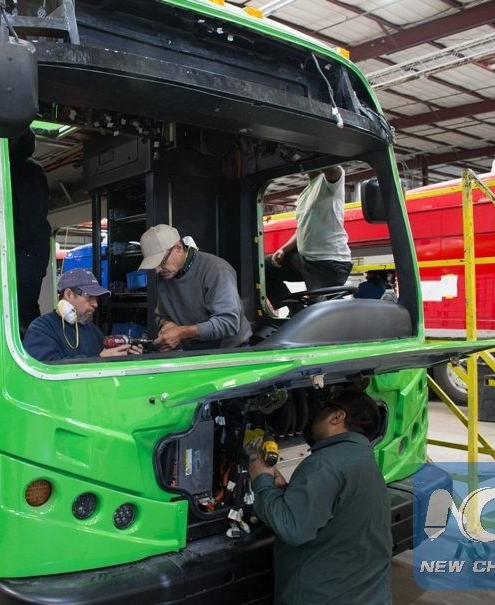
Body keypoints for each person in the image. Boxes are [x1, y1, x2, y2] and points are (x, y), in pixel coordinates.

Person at [249, 390, 392, 605]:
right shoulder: (365, 461)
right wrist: (289, 494)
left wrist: (262, 480)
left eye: (323, 408)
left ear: (337, 416)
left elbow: (292, 528)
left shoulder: (325, 462)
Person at [138, 224, 251, 351]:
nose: (158, 270)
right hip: (193, 353)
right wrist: (167, 324)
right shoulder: (164, 275)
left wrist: (181, 332)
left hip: (229, 352)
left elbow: (228, 323)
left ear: (178, 248)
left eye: (162, 262)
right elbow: (162, 314)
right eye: (154, 266)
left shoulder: (215, 270)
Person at [265, 166, 352, 310]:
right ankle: (296, 311)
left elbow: (334, 170)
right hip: (305, 260)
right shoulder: (306, 192)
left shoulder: (329, 183)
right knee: (263, 268)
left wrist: (315, 156)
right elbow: (303, 228)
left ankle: (308, 316)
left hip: (327, 263)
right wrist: (284, 250)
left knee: (322, 314)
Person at [24, 268, 143, 362]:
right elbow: (48, 369)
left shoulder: (91, 328)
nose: (95, 304)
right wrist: (100, 359)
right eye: (89, 297)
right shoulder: (41, 328)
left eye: (96, 298)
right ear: (69, 294)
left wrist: (124, 354)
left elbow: (105, 356)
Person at [10, 128, 52, 333]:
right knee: (19, 307)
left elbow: (30, 216)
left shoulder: (29, 168)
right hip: (26, 249)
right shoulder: (13, 168)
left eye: (12, 138)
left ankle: (33, 345)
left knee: (23, 307)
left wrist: (12, 246)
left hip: (29, 250)